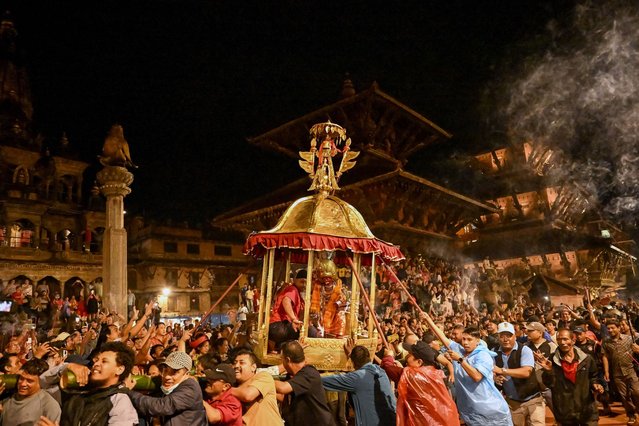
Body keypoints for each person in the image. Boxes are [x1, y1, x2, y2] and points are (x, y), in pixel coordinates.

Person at [422, 312, 512, 426]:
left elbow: (477, 376)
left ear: (477, 341)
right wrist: (428, 319)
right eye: (463, 339)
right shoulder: (460, 350)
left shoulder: (483, 355)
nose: (465, 343)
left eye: (469, 339)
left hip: (491, 411)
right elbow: (442, 337)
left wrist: (460, 360)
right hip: (472, 411)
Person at [39, 341, 139, 426]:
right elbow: (42, 383)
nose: (96, 364)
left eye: (104, 361)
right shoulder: (78, 390)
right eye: (97, 360)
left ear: (119, 370)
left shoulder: (119, 401)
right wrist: (66, 367)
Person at [535, 328, 603, 426]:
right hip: (565, 411)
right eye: (559, 340)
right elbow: (549, 384)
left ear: (573, 340)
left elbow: (593, 377)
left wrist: (596, 385)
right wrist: (548, 371)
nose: (562, 342)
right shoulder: (552, 360)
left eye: (565, 339)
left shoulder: (586, 359)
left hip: (587, 409)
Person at [322, 342, 396, 426]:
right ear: (369, 357)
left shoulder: (357, 378)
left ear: (353, 363)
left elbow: (321, 381)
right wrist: (351, 355)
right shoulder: (380, 371)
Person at [128, 351, 207, 426]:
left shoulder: (190, 388)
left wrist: (129, 392)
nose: (167, 377)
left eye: (174, 373)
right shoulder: (168, 388)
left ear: (187, 374)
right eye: (166, 371)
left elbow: (161, 407)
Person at [395, 340, 460, 426]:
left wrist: (388, 357)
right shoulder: (438, 375)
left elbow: (389, 368)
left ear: (419, 362)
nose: (407, 356)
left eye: (410, 354)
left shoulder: (414, 376)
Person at [494, 322, 545, 426]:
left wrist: (502, 371)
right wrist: (494, 377)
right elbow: (489, 370)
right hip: (513, 402)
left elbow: (526, 372)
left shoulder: (525, 350)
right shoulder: (493, 352)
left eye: (509, 336)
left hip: (533, 399)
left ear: (515, 336)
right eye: (502, 336)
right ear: (498, 337)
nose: (505, 339)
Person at [275, 340, 335, 426]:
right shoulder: (292, 375)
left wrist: (262, 379)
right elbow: (285, 397)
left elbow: (283, 388)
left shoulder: (309, 374)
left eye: (282, 359)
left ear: (288, 360)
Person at [0, 358, 61, 426]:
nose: (23, 384)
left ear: (41, 382)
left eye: (29, 381)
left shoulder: (49, 406)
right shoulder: (7, 398)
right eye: (21, 378)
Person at [231, 349, 282, 425]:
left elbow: (248, 395)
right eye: (235, 363)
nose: (236, 366)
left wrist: (225, 389)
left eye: (241, 363)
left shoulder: (263, 376)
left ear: (253, 367)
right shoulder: (234, 387)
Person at [602, 318, 639, 424]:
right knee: (624, 396)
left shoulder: (629, 339)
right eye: (608, 328)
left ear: (618, 328)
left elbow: (637, 350)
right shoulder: (606, 342)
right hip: (617, 374)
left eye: (612, 328)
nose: (610, 330)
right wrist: (606, 372)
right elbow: (604, 356)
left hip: (631, 371)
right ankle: (631, 415)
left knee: (637, 392)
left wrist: (638, 349)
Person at [268, 270, 305, 350]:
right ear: (295, 281)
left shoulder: (298, 294)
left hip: (280, 327)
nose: (304, 285)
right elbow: (286, 301)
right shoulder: (292, 289)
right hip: (279, 326)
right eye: (302, 282)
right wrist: (294, 319)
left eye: (306, 283)